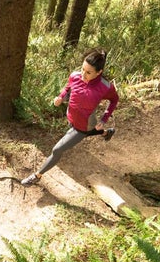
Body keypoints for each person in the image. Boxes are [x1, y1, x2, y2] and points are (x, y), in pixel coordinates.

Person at [21, 48, 118, 186]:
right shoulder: (75, 76)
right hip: (71, 118)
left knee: (57, 150)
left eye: (88, 72)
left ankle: (37, 175)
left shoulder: (105, 87)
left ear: (99, 72)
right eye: (82, 69)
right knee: (89, 130)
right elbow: (68, 88)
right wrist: (60, 97)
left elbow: (114, 100)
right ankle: (107, 133)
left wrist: (103, 119)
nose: (83, 74)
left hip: (83, 126)